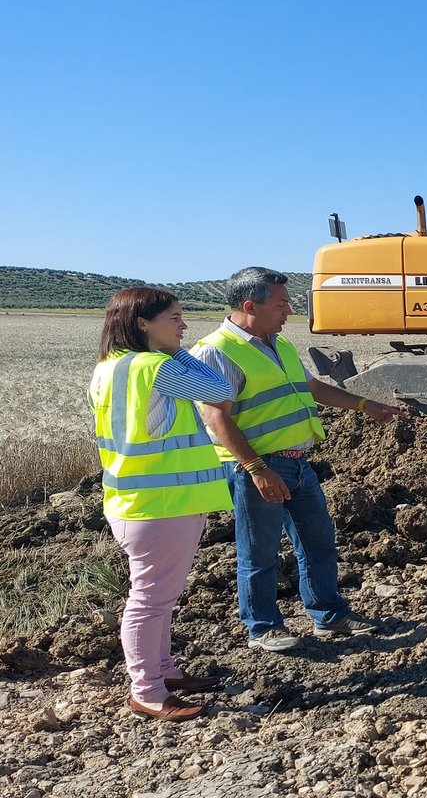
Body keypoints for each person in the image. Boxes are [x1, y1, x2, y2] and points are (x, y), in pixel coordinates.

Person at [192, 267, 405, 653]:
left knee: (319, 541)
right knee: (259, 552)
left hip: (297, 464)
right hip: (256, 467)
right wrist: (257, 469)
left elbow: (312, 388)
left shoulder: (279, 344)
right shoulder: (216, 350)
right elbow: (215, 417)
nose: (289, 309)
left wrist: (364, 404)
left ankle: (329, 615)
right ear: (249, 305)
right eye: (282, 303)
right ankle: (263, 627)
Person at [90, 288, 236, 721]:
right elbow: (220, 389)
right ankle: (148, 691)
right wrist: (179, 353)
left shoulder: (109, 368)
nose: (183, 326)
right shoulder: (155, 368)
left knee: (158, 598)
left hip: (132, 500)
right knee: (151, 600)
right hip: (162, 504)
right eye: (174, 318)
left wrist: (169, 346)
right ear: (142, 323)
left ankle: (165, 671)